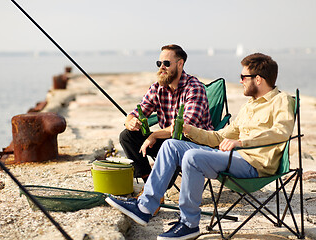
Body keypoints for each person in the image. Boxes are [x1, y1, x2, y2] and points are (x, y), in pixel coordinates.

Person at [106, 53, 295, 240]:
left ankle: (189, 223)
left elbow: (281, 132)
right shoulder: (249, 106)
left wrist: (241, 142)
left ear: (259, 79)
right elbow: (219, 137)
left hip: (254, 165)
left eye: (243, 77)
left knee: (193, 157)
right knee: (171, 145)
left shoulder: (282, 100)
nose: (240, 81)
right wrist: (190, 130)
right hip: (232, 157)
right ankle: (145, 207)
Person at [120, 44, 213, 183]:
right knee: (127, 136)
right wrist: (130, 122)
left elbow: (183, 127)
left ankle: (156, 190)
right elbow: (137, 111)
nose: (161, 67)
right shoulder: (157, 87)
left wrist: (154, 135)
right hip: (168, 142)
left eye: (166, 63)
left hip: (194, 144)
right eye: (159, 63)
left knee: (172, 143)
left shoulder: (194, 88)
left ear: (180, 64)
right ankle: (149, 182)